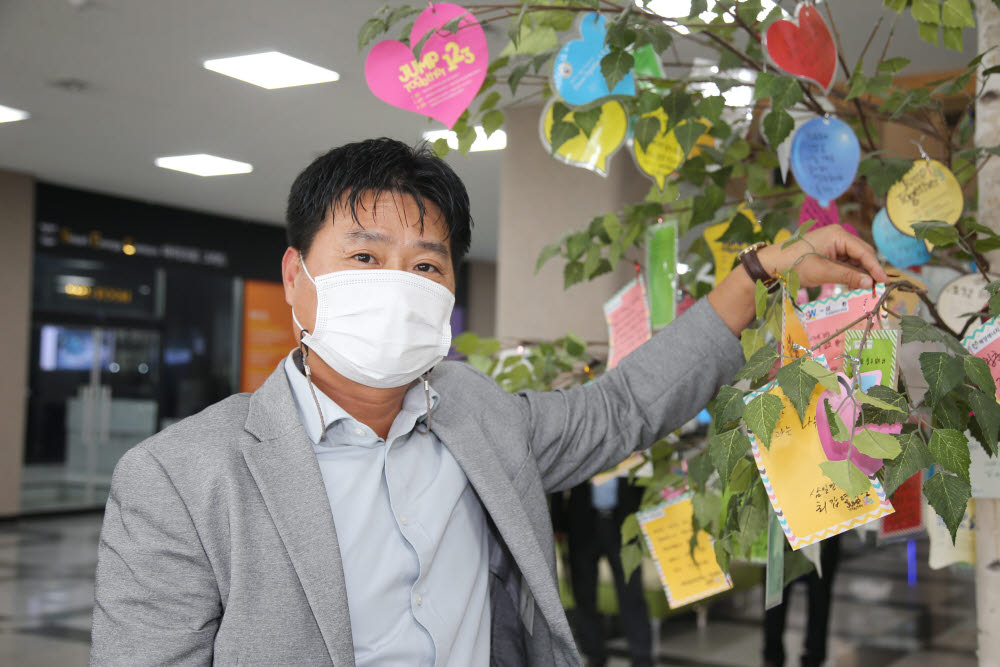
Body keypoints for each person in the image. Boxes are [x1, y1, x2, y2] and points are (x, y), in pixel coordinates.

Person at [90, 137, 888, 666]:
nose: (398, 285)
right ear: (297, 279)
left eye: (426, 266)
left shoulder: (478, 416)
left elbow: (623, 407)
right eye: (365, 256)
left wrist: (759, 274)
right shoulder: (182, 477)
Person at [555, 478, 653, 667]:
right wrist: (557, 521)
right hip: (582, 521)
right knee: (583, 594)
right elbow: (561, 478)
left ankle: (642, 658)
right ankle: (594, 656)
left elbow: (644, 476)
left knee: (631, 593)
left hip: (624, 520)